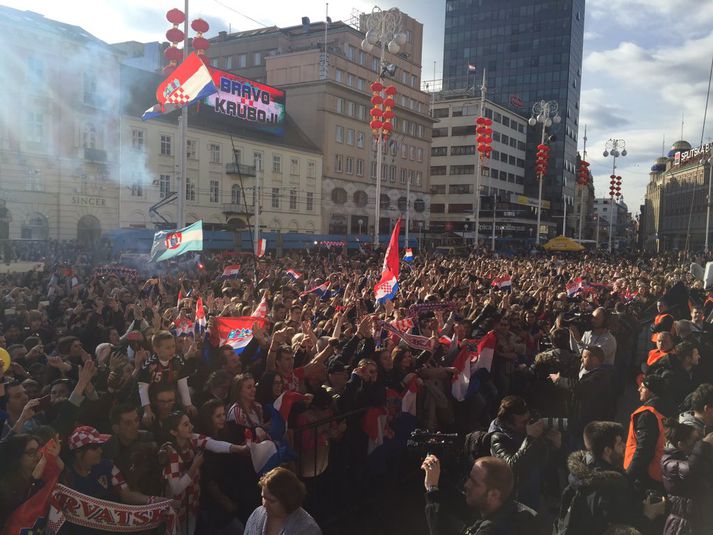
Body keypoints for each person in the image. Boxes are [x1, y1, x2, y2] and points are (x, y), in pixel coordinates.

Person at [554, 421, 665, 534]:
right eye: (619, 443)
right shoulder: (610, 488)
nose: (624, 445)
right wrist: (649, 515)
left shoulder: (578, 478)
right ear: (607, 451)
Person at [160, 410, 246, 535]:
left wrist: (240, 449)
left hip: (192, 505)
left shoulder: (192, 440)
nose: (191, 426)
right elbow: (176, 489)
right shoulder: (171, 453)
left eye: (189, 423)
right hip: (176, 509)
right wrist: (194, 466)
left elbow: (214, 444)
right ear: (173, 432)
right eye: (185, 425)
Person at [422, 454, 536, 534]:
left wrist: (431, 490)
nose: (466, 484)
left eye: (474, 483)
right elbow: (462, 505)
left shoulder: (495, 529)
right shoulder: (501, 507)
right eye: (469, 478)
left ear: (494, 495)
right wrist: (436, 477)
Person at [488, 395, 555, 509]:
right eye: (523, 422)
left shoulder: (526, 422)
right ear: (509, 424)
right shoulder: (497, 438)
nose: (528, 425)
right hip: (520, 488)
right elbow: (511, 467)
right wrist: (530, 439)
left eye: (529, 420)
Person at [661, 420, 711, 535]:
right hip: (681, 527)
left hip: (697, 523)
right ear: (681, 445)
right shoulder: (669, 462)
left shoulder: (694, 459)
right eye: (695, 441)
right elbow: (690, 471)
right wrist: (704, 445)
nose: (699, 443)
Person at [244, 466, 322, 535]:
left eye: (272, 501)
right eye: (263, 497)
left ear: (288, 500)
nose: (264, 504)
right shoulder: (257, 514)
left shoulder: (307, 529)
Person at [624, 375, 668, 493]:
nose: (639, 389)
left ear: (651, 391)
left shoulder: (647, 415)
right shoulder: (666, 409)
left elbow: (644, 450)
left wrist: (628, 476)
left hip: (646, 476)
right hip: (661, 471)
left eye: (643, 387)